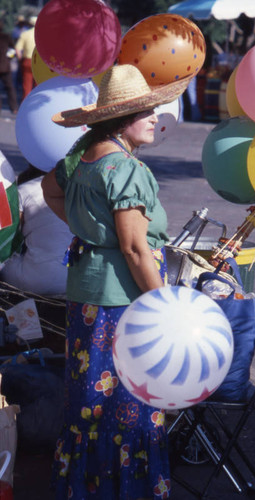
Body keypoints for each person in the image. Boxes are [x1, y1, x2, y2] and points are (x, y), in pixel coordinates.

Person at [41, 64, 192, 499]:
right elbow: (135, 250)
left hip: (86, 296)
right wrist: (168, 308)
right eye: (146, 111)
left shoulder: (83, 153)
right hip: (124, 303)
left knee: (87, 402)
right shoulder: (126, 168)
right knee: (129, 408)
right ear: (121, 118)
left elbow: (51, 191)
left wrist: (90, 231)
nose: (155, 118)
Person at [0, 164, 73, 295]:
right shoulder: (79, 189)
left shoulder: (25, 189)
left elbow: (10, 236)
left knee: (7, 262)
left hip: (36, 282)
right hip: (75, 281)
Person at [15, 15, 36, 100]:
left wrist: (20, 60)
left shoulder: (25, 34)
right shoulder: (43, 34)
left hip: (27, 60)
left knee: (27, 85)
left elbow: (17, 48)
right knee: (38, 85)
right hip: (39, 62)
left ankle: (25, 105)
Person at [0, 20, 18, 114]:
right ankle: (14, 107)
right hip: (5, 66)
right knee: (10, 88)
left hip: (4, 65)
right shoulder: (6, 37)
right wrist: (8, 59)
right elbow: (13, 50)